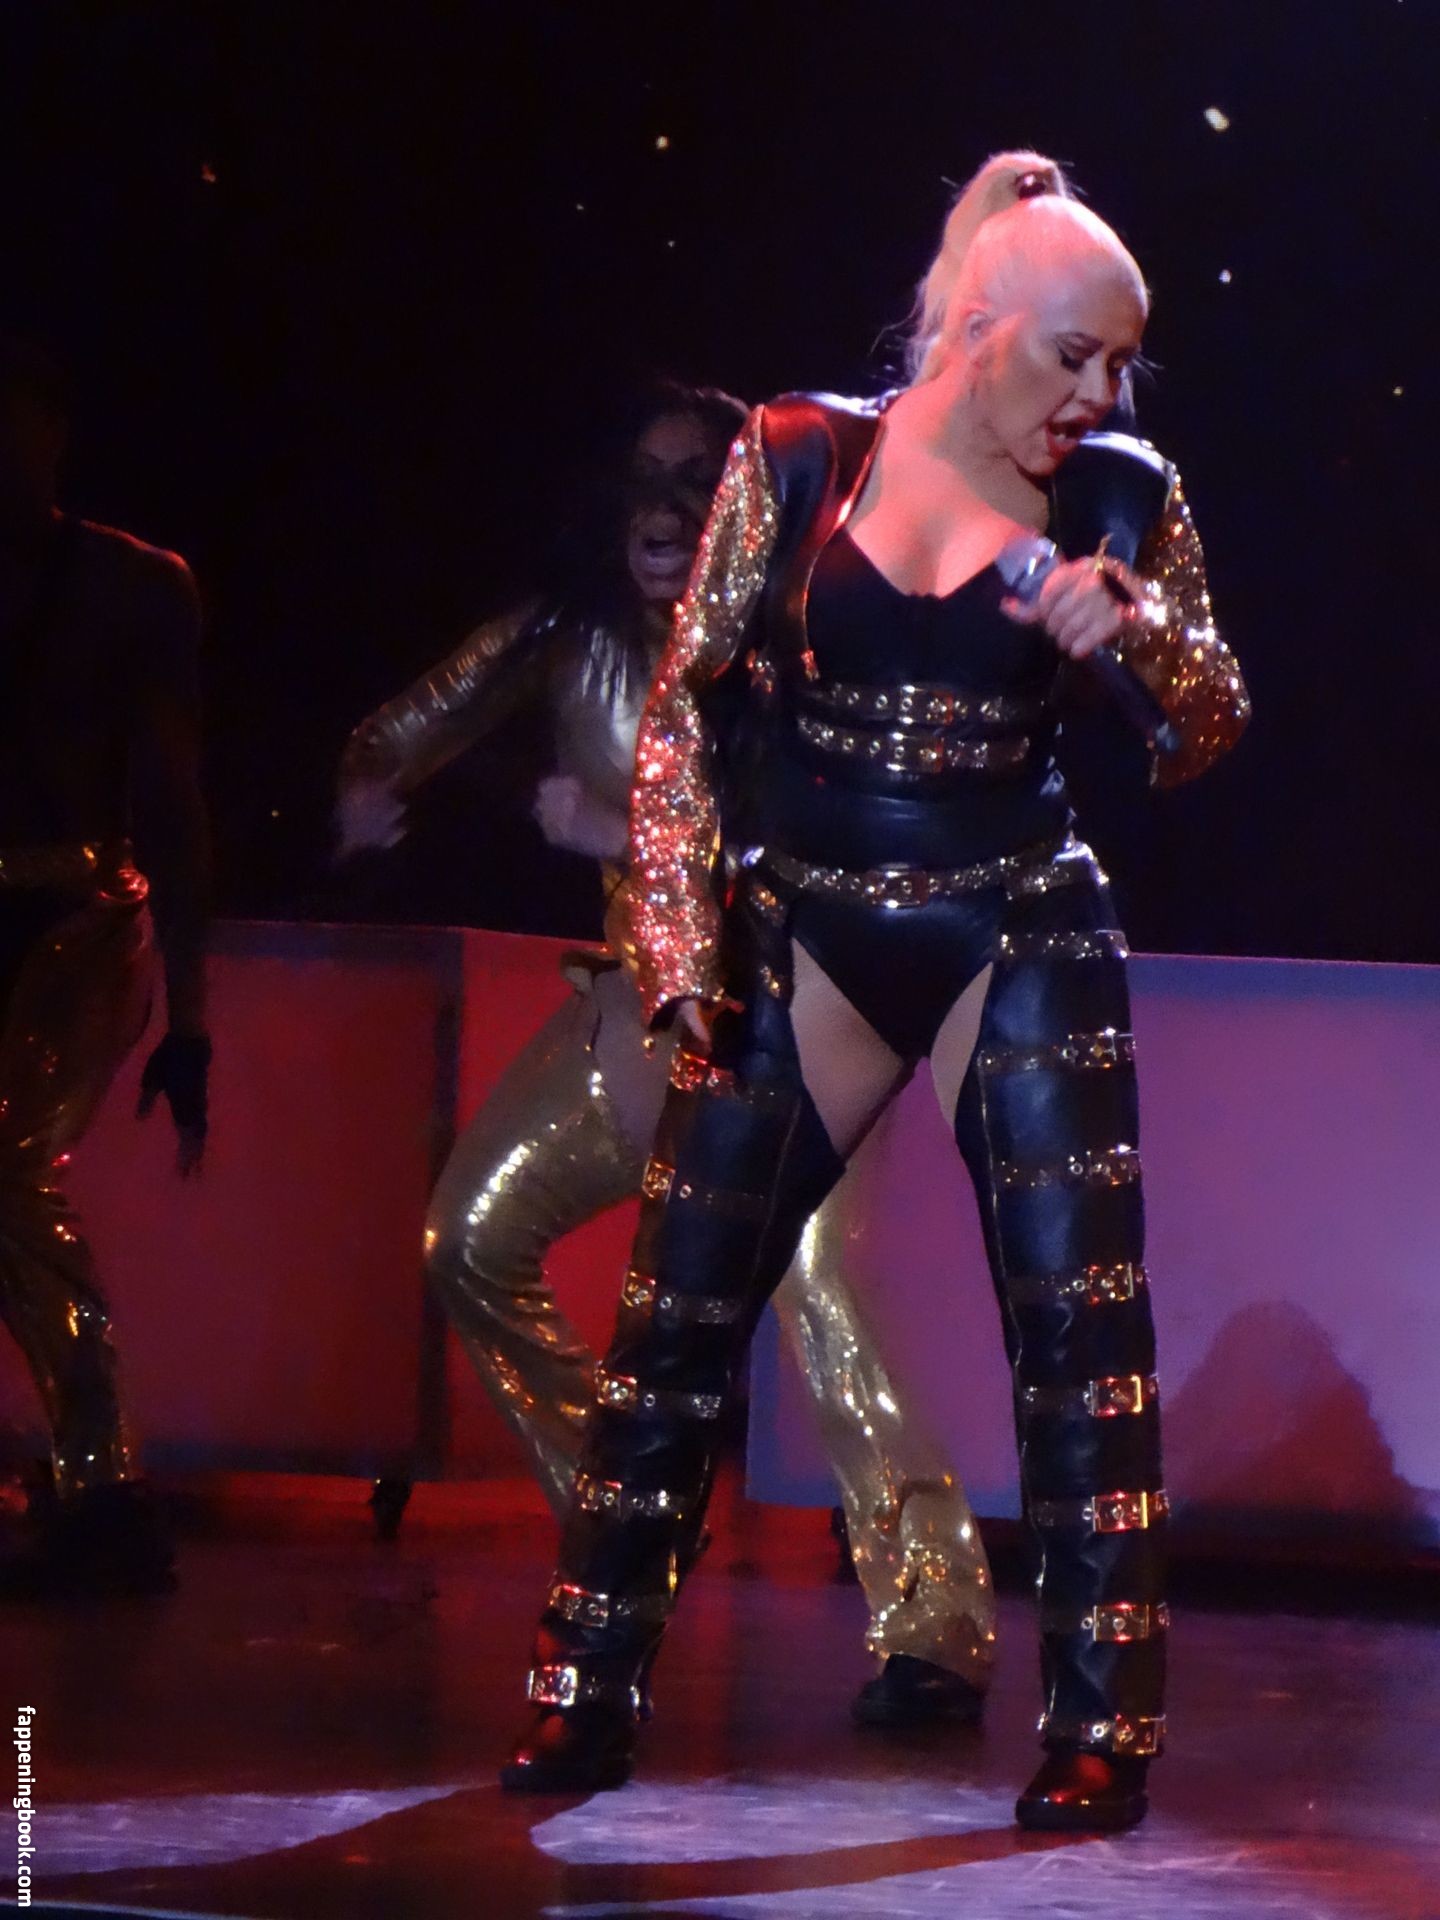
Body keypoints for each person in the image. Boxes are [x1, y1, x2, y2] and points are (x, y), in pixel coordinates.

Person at [501, 154, 1250, 1832]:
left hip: (1014, 913)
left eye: (1122, 362)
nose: (1100, 394)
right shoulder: (801, 452)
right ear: (980, 324)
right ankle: (581, 1689)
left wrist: (1135, 634)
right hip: (815, 913)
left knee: (1078, 1327)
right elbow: (687, 701)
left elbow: (1210, 726)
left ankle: (1103, 1722)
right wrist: (677, 941)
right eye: (1073, 354)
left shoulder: (1119, 489)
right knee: (677, 1313)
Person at [337, 380, 996, 1727]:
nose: (663, 510)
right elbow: (406, 722)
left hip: (798, 1021)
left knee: (820, 1292)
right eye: (645, 481)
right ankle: (632, 1509)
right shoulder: (570, 635)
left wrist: (621, 835)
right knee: (469, 1240)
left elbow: (837, 835)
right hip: (642, 1013)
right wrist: (365, 783)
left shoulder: (805, 640)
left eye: (696, 481)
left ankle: (935, 1623)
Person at [0, 336, 212, 1595]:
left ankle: (102, 1487)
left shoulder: (133, 587)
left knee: (11, 1173)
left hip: (75, 915)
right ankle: (90, 1485)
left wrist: (192, 1019)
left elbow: (174, 805)